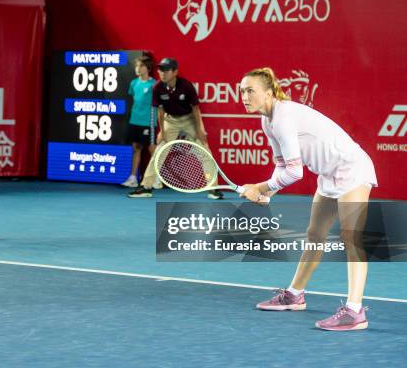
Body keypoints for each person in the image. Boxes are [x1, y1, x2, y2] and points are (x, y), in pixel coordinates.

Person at [239, 67, 377, 331]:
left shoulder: (283, 117)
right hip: (328, 175)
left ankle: (355, 311)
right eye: (242, 90)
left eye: (250, 90)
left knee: (351, 237)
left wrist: (259, 186)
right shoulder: (267, 121)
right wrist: (268, 191)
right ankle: (295, 294)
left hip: (352, 169)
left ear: (268, 93)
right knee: (314, 234)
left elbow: (294, 171)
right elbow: (283, 167)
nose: (244, 96)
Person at [128, 57, 223, 199]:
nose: (162, 73)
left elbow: (196, 110)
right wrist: (162, 130)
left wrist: (200, 130)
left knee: (204, 150)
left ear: (175, 72)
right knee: (159, 151)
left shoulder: (186, 86)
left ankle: (213, 188)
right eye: (160, 70)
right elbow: (160, 111)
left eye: (166, 70)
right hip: (170, 120)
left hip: (189, 119)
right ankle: (146, 187)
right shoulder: (158, 88)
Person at [121, 55, 159, 188]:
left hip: (148, 122)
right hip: (134, 121)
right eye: (137, 66)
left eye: (141, 66)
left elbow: (159, 105)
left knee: (152, 149)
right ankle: (133, 178)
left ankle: (156, 179)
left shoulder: (154, 85)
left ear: (147, 68)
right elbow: (135, 100)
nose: (137, 69)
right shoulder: (134, 83)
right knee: (136, 149)